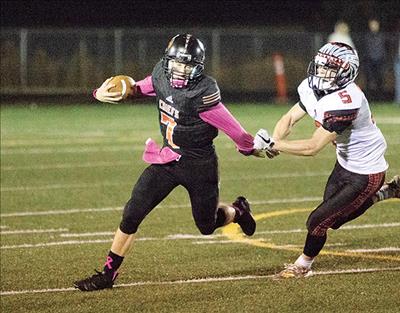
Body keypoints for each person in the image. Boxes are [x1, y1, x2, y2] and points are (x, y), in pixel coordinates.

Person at [74, 34, 263, 291]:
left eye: (188, 65)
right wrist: (106, 92)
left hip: (199, 166)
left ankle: (238, 210)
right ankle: (108, 275)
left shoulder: (202, 94)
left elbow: (235, 131)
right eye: (177, 63)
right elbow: (139, 87)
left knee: (206, 226)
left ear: (198, 67)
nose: (181, 70)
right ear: (167, 61)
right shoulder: (161, 77)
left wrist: (250, 148)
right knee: (132, 213)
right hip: (167, 159)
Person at [253, 42, 400, 278]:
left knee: (318, 221)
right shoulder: (312, 87)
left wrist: (272, 144)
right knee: (334, 220)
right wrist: (275, 141)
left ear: (345, 72)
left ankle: (302, 266)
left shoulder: (347, 100)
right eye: (320, 65)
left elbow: (313, 147)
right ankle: (389, 192)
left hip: (367, 171)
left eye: (328, 68)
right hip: (345, 162)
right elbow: (289, 119)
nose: (321, 72)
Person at [363, 18, 386, 101]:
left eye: (375, 25)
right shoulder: (367, 36)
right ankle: (369, 99)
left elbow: (384, 48)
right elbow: (365, 49)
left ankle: (380, 99)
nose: (374, 26)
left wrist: (383, 58)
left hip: (379, 61)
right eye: (372, 25)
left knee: (380, 81)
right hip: (369, 61)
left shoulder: (381, 36)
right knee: (369, 81)